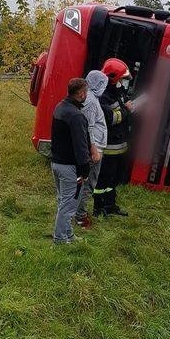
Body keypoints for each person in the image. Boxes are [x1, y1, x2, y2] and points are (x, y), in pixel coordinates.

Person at [51, 77, 91, 245]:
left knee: (63, 200)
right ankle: (60, 240)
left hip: (56, 163)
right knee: (68, 205)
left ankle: (69, 234)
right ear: (81, 93)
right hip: (70, 167)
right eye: (86, 92)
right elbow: (81, 146)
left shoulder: (60, 107)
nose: (87, 94)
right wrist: (85, 170)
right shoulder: (76, 116)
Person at [95, 58, 132, 217]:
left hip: (119, 146)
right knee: (102, 181)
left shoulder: (116, 91)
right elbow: (109, 118)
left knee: (113, 180)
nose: (124, 82)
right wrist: (126, 110)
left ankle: (110, 206)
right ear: (114, 78)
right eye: (122, 79)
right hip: (108, 148)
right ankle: (98, 208)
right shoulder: (102, 95)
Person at [75, 69, 108, 229]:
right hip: (93, 149)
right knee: (88, 183)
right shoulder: (91, 101)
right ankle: (81, 216)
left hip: (93, 147)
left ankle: (77, 212)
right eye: (103, 84)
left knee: (84, 182)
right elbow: (88, 128)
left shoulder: (90, 98)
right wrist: (94, 149)